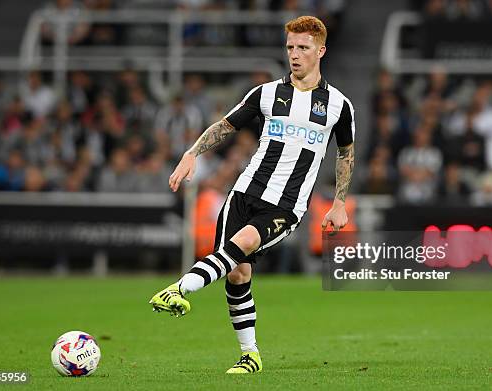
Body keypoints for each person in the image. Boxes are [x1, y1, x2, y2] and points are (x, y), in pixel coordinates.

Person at [148, 15, 355, 374]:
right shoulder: (266, 94)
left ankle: (180, 288)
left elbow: (346, 153)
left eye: (303, 48)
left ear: (320, 50)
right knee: (237, 274)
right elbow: (225, 126)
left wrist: (338, 202)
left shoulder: (338, 105)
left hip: (286, 205)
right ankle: (250, 355)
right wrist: (192, 153)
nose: (294, 54)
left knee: (242, 242)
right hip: (244, 193)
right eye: (290, 46)